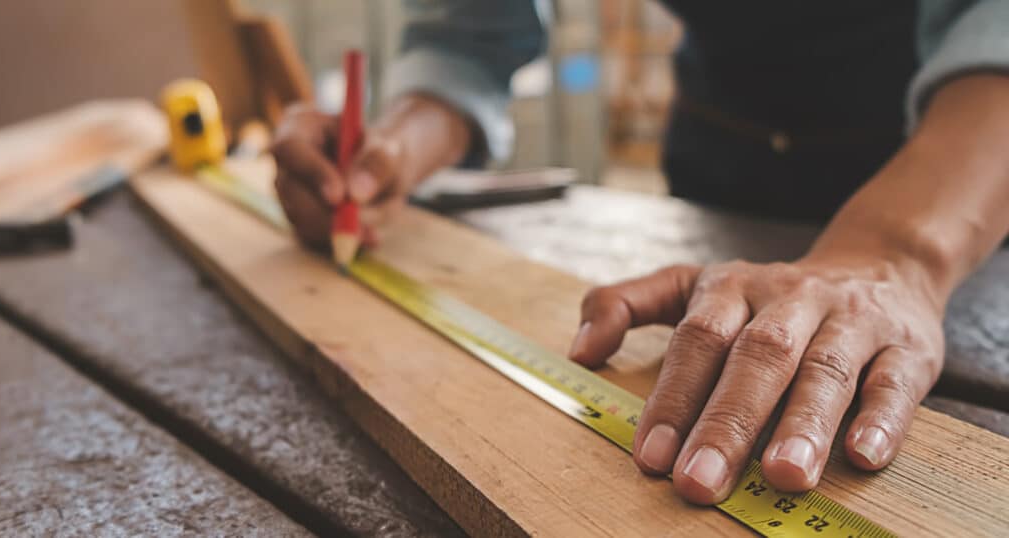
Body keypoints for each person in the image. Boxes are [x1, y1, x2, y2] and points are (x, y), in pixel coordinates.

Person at [271, 1, 1009, 505]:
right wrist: (395, 145)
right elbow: (473, 28)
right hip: (725, 150)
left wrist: (897, 251)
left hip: (966, 165)